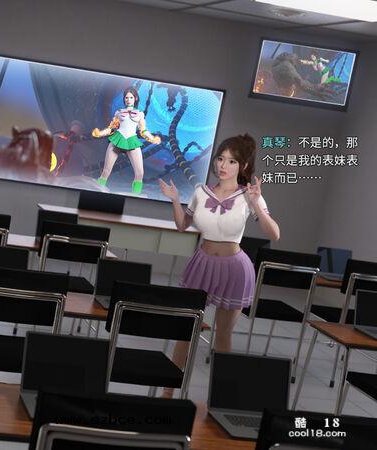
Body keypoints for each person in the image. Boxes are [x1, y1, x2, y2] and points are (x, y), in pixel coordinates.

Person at [158, 134, 280, 398]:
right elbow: (182, 225)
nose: (223, 165)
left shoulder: (249, 196)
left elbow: (275, 234)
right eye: (221, 158)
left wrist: (257, 204)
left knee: (223, 336)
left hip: (234, 270)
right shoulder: (201, 192)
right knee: (185, 330)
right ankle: (168, 392)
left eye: (232, 161)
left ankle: (221, 397)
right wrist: (175, 200)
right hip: (202, 264)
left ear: (243, 166)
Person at [92, 87, 161, 194]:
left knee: (140, 174)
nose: (128, 100)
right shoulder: (119, 112)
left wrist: (152, 139)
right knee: (106, 171)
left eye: (131, 97)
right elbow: (111, 128)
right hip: (117, 139)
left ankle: (135, 196)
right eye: (126, 98)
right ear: (124, 99)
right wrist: (100, 133)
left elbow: (143, 130)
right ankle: (96, 192)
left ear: (135, 98)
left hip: (132, 141)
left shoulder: (140, 114)